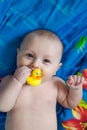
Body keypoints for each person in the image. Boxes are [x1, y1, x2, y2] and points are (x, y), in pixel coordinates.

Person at [0, 30, 84, 130]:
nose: (35, 64)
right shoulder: (10, 81)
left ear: (56, 69)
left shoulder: (55, 83)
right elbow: (3, 106)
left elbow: (70, 103)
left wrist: (75, 90)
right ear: (18, 54)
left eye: (46, 61)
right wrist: (17, 81)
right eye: (29, 55)